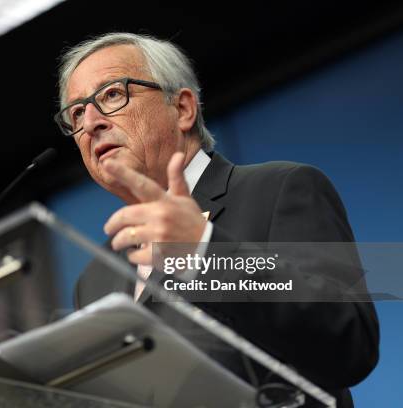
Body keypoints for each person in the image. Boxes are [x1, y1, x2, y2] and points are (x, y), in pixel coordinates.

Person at [54, 32, 379, 407]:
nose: (91, 121)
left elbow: (349, 344)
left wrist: (203, 251)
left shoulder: (279, 190)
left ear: (183, 109)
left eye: (112, 94)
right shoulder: (96, 277)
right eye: (76, 113)